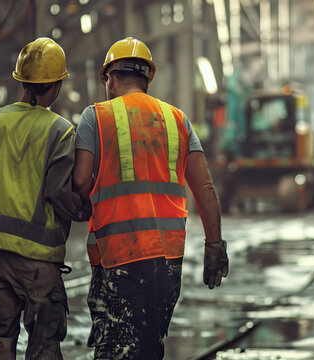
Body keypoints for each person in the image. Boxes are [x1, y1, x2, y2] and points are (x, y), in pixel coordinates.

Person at [72, 37, 230, 359]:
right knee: (150, 345)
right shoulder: (178, 120)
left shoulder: (96, 116)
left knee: (117, 348)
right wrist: (215, 245)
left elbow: (78, 180)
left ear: (110, 79)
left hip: (118, 255)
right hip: (167, 257)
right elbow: (205, 189)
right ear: (147, 79)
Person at [0, 37, 82, 359]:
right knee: (43, 343)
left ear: (21, 81)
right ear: (56, 86)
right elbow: (59, 193)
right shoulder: (61, 130)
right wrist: (84, 209)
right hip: (37, 257)